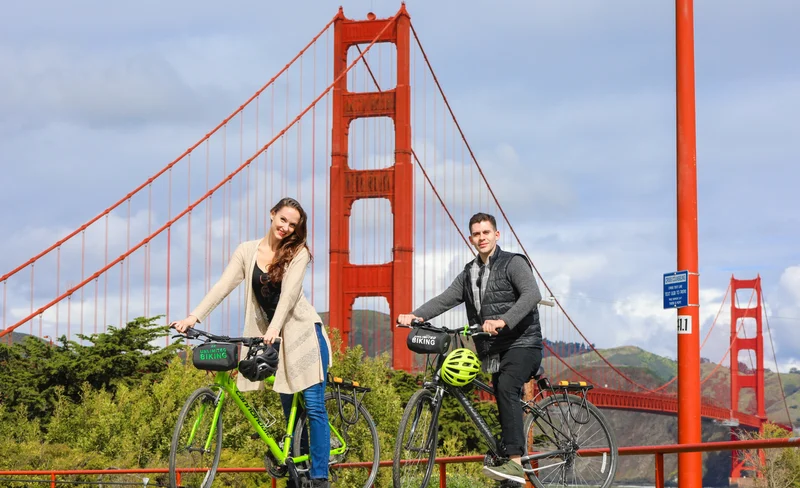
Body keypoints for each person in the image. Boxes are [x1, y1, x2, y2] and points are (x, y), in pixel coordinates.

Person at [172, 197, 333, 488]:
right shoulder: (247, 251)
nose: (285, 227)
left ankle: (320, 476)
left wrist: (272, 329)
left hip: (302, 334)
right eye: (282, 219)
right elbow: (223, 285)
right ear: (272, 214)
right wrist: (193, 317)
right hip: (273, 338)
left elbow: (289, 296)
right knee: (289, 409)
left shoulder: (299, 253)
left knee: (312, 405)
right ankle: (299, 470)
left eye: (292, 225)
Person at [397, 212, 542, 486]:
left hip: (524, 343)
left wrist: (503, 320)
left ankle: (514, 464)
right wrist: (416, 316)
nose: (481, 238)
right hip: (493, 350)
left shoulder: (514, 263)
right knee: (499, 396)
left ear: (496, 235)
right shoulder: (469, 272)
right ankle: (505, 460)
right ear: (470, 238)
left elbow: (532, 295)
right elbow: (445, 299)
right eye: (476, 234)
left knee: (506, 387)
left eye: (486, 232)